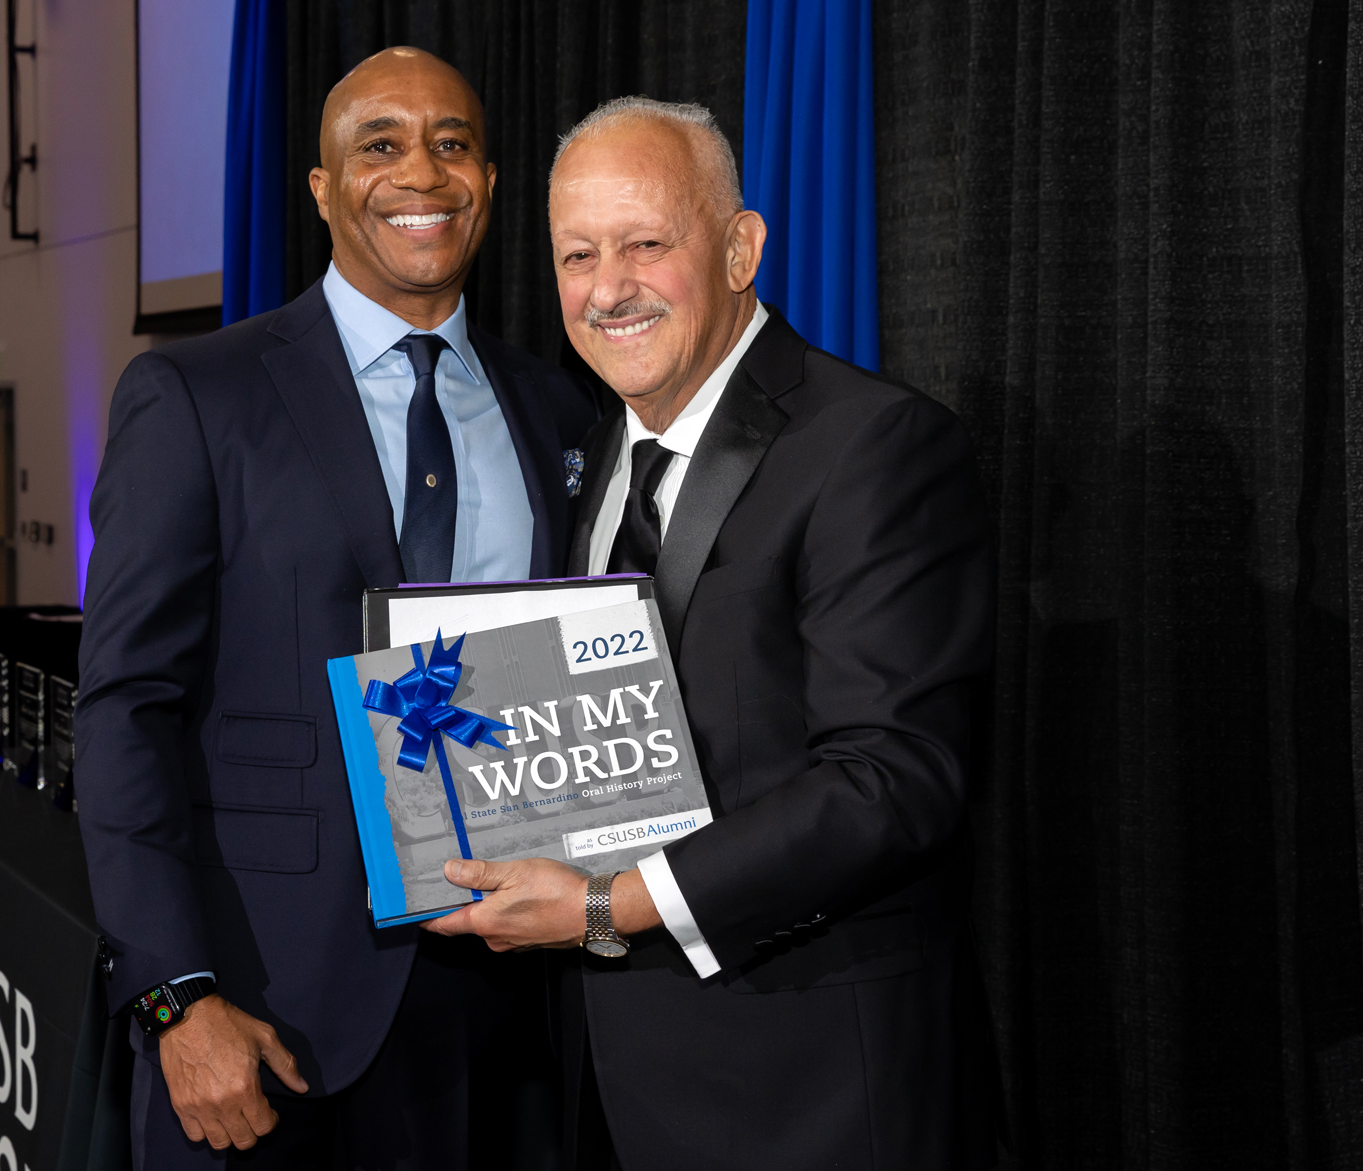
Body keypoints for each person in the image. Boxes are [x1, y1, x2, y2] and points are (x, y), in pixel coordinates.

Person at [426, 97, 997, 1169]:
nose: (608, 288)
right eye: (577, 254)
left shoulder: (874, 446)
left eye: (647, 243)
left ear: (740, 248)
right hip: (604, 1081)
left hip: (807, 1086)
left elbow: (893, 779)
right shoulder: (590, 457)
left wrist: (607, 904)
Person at [75, 47, 598, 1168]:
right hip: (263, 1006)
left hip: (500, 1000)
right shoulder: (195, 395)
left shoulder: (553, 405)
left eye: (452, 144)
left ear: (491, 184)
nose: (422, 172)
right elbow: (124, 708)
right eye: (381, 144)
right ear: (320, 187)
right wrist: (174, 996)